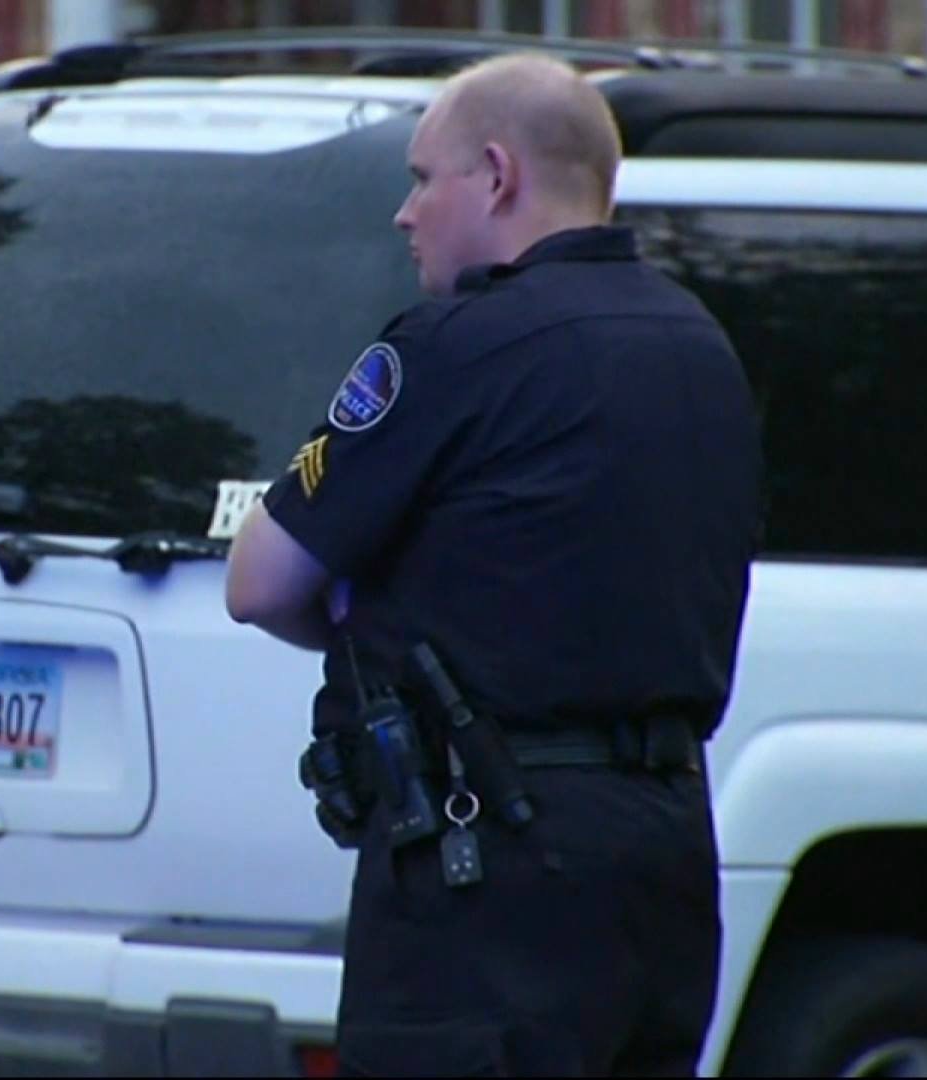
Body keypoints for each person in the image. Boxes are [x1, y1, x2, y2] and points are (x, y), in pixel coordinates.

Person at [226, 54, 762, 1077]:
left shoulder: (454, 347)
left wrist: (365, 614)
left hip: (489, 871)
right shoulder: (703, 349)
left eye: (424, 178)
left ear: (499, 175)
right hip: (666, 853)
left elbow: (259, 580)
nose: (405, 213)